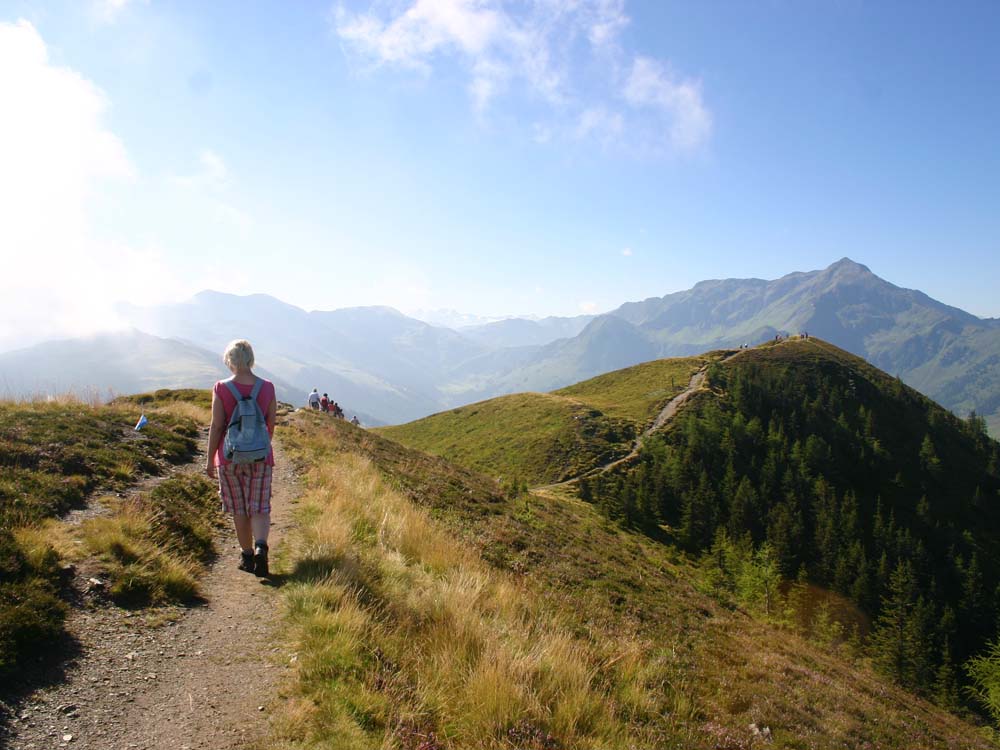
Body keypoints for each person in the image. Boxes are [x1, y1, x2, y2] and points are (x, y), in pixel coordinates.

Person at [206, 339, 277, 577]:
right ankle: (261, 547)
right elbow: (270, 424)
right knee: (259, 507)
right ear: (251, 359)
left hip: (229, 458)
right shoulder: (267, 387)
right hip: (261, 457)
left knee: (239, 509)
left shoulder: (221, 388)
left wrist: (209, 459)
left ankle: (247, 557)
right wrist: (261, 448)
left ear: (230, 360)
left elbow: (216, 426)